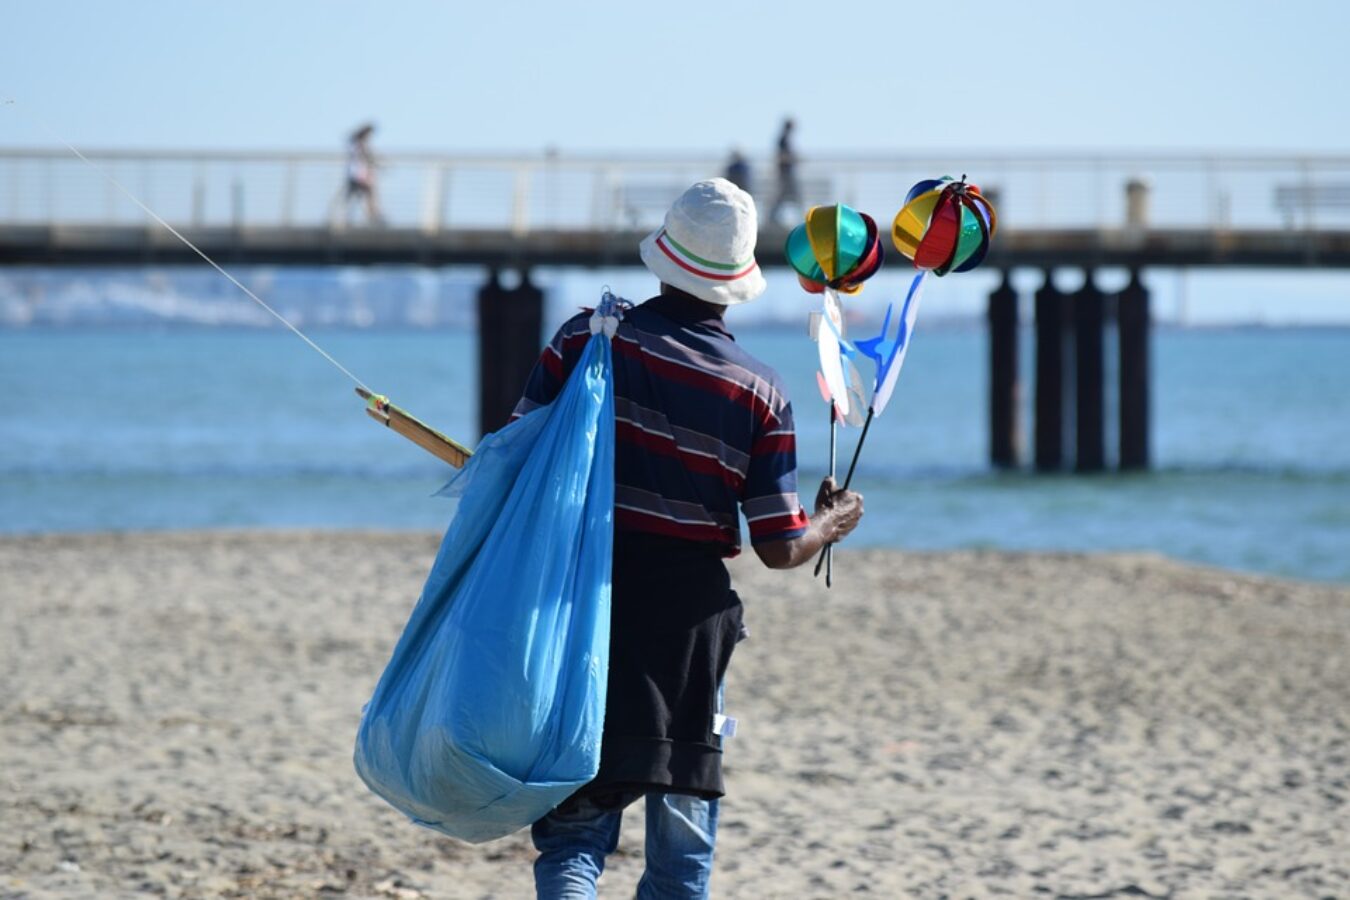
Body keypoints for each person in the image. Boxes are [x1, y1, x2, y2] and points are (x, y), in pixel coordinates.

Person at [512, 178, 864, 899]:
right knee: (680, 863)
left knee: (575, 840)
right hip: (688, 635)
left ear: (663, 260)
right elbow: (778, 546)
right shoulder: (758, 390)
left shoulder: (585, 338)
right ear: (737, 285)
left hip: (581, 612)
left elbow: (517, 455)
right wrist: (827, 523)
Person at [331, 123, 383, 226]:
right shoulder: (360, 144)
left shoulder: (354, 143)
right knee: (366, 197)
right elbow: (367, 158)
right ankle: (372, 218)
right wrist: (378, 165)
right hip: (359, 176)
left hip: (355, 175)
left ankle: (345, 219)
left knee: (351, 198)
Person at [766, 117, 801, 226]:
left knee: (784, 197)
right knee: (785, 196)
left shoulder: (785, 139)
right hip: (785, 173)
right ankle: (772, 218)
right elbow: (782, 156)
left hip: (786, 173)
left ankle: (772, 217)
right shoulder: (783, 139)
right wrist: (794, 159)